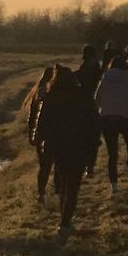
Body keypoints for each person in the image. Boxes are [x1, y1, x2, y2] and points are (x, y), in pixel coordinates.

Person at [33, 66, 97, 234]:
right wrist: (93, 145)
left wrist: (40, 140)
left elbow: (42, 124)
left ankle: (64, 218)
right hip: (79, 145)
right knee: (73, 185)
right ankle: (65, 220)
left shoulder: (51, 97)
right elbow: (93, 122)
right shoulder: (84, 96)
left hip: (58, 146)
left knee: (63, 180)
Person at [93, 46, 128, 189]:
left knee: (112, 152)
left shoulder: (104, 79)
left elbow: (97, 99)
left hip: (107, 117)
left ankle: (114, 184)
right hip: (125, 117)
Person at [25, 64, 58, 203]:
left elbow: (33, 116)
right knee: (55, 164)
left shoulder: (37, 92)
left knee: (44, 165)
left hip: (39, 134)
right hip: (52, 133)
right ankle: (55, 191)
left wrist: (31, 133)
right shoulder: (53, 93)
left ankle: (41, 193)